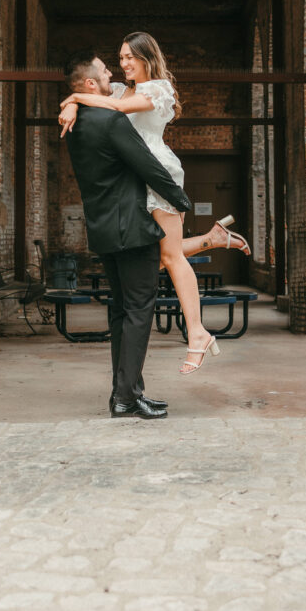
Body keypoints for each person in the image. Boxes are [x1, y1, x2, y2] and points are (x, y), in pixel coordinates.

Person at [59, 32, 251, 375]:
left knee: (170, 256)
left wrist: (74, 96)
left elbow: (113, 108)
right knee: (159, 255)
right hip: (134, 179)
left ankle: (197, 333)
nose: (124, 64)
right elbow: (99, 98)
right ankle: (214, 239)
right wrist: (74, 103)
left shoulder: (159, 89)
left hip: (158, 173)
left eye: (131, 57)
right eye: (120, 58)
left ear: (148, 57)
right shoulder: (119, 89)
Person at [63, 50, 192, 420]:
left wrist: (71, 101)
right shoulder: (110, 120)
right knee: (139, 311)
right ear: (91, 84)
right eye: (105, 71)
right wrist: (180, 200)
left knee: (121, 312)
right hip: (133, 229)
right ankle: (126, 397)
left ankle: (124, 394)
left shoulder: (75, 125)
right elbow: (148, 166)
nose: (112, 75)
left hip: (102, 229)